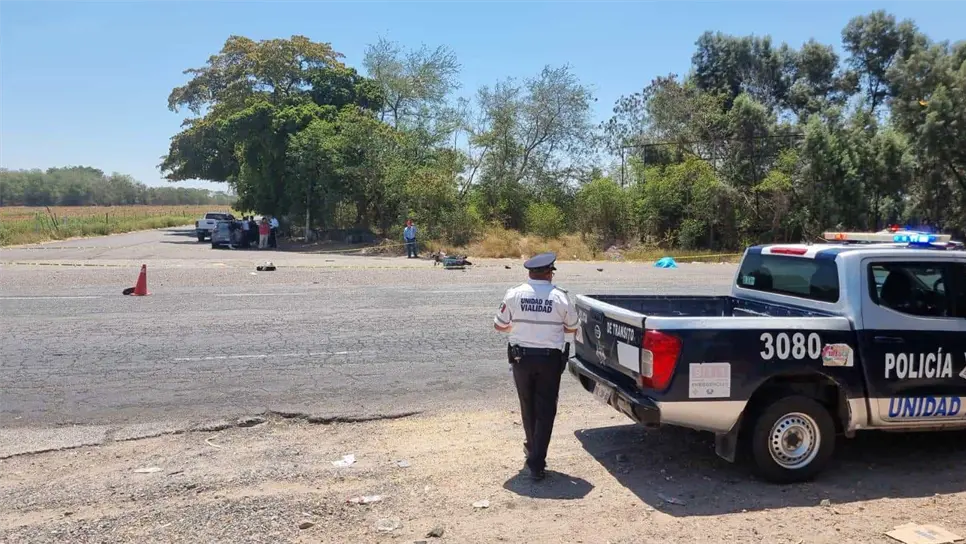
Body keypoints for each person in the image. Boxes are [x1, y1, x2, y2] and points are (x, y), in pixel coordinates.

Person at [493, 252, 578, 481]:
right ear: (549, 273)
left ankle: (532, 451)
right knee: (545, 410)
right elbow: (572, 328)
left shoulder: (514, 294)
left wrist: (522, 329)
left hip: (521, 359)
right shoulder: (560, 297)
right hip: (549, 360)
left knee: (527, 406)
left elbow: (499, 326)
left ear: (530, 273)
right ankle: (537, 462)